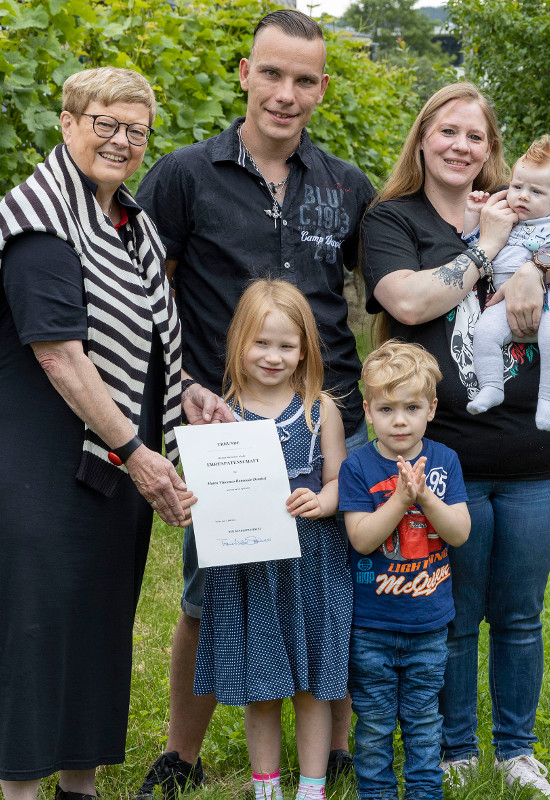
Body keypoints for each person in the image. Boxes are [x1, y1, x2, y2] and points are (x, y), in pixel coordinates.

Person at [134, 9, 375, 796]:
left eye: (304, 80)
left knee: (329, 588)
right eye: (271, 73)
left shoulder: (346, 186)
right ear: (245, 72)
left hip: (327, 415)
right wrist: (179, 393)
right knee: (212, 593)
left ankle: (332, 751)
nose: (285, 92)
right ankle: (183, 754)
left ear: (322, 88)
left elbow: (387, 289)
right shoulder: (182, 176)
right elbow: (143, 292)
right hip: (224, 426)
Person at [362, 82, 550, 798]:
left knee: (518, 614)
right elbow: (408, 300)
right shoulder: (390, 218)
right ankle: (456, 746)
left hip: (534, 457)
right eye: (448, 131)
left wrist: (542, 266)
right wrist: (489, 251)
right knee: (452, 614)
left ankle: (516, 749)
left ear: (492, 149)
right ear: (422, 137)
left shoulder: (520, 205)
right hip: (444, 458)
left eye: (477, 136)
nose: (462, 146)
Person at [0, 67, 194, 800]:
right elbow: (60, 355)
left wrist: (187, 396)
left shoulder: (129, 222)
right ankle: (23, 793)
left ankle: (81, 786)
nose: (121, 141)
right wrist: (137, 452)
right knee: (36, 634)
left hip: (100, 460)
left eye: (135, 130)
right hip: (30, 460)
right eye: (104, 123)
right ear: (67, 122)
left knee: (98, 624)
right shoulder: (41, 217)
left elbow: (147, 340)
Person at [192, 279, 351, 800]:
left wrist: (325, 501)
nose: (273, 356)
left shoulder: (318, 408)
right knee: (264, 688)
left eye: (286, 345)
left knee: (310, 687)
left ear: (305, 348)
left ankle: (312, 786)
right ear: (239, 341)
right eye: (261, 342)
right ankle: (266, 787)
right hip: (251, 574)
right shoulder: (220, 413)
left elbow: (339, 480)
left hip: (313, 569)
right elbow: (204, 490)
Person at [339, 340, 472, 800]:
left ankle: (424, 793)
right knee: (374, 726)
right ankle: (375, 794)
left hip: (428, 626)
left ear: (431, 409)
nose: (399, 419)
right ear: (368, 411)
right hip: (372, 627)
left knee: (423, 720)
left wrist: (425, 497)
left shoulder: (445, 461)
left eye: (411, 407)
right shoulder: (357, 466)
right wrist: (400, 498)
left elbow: (458, 533)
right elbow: (361, 538)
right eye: (387, 408)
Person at [463, 134, 550, 430]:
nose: (523, 196)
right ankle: (491, 386)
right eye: (517, 187)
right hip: (502, 299)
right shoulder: (503, 216)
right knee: (485, 332)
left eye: (536, 191)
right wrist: (473, 215)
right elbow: (471, 245)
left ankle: (548, 402)